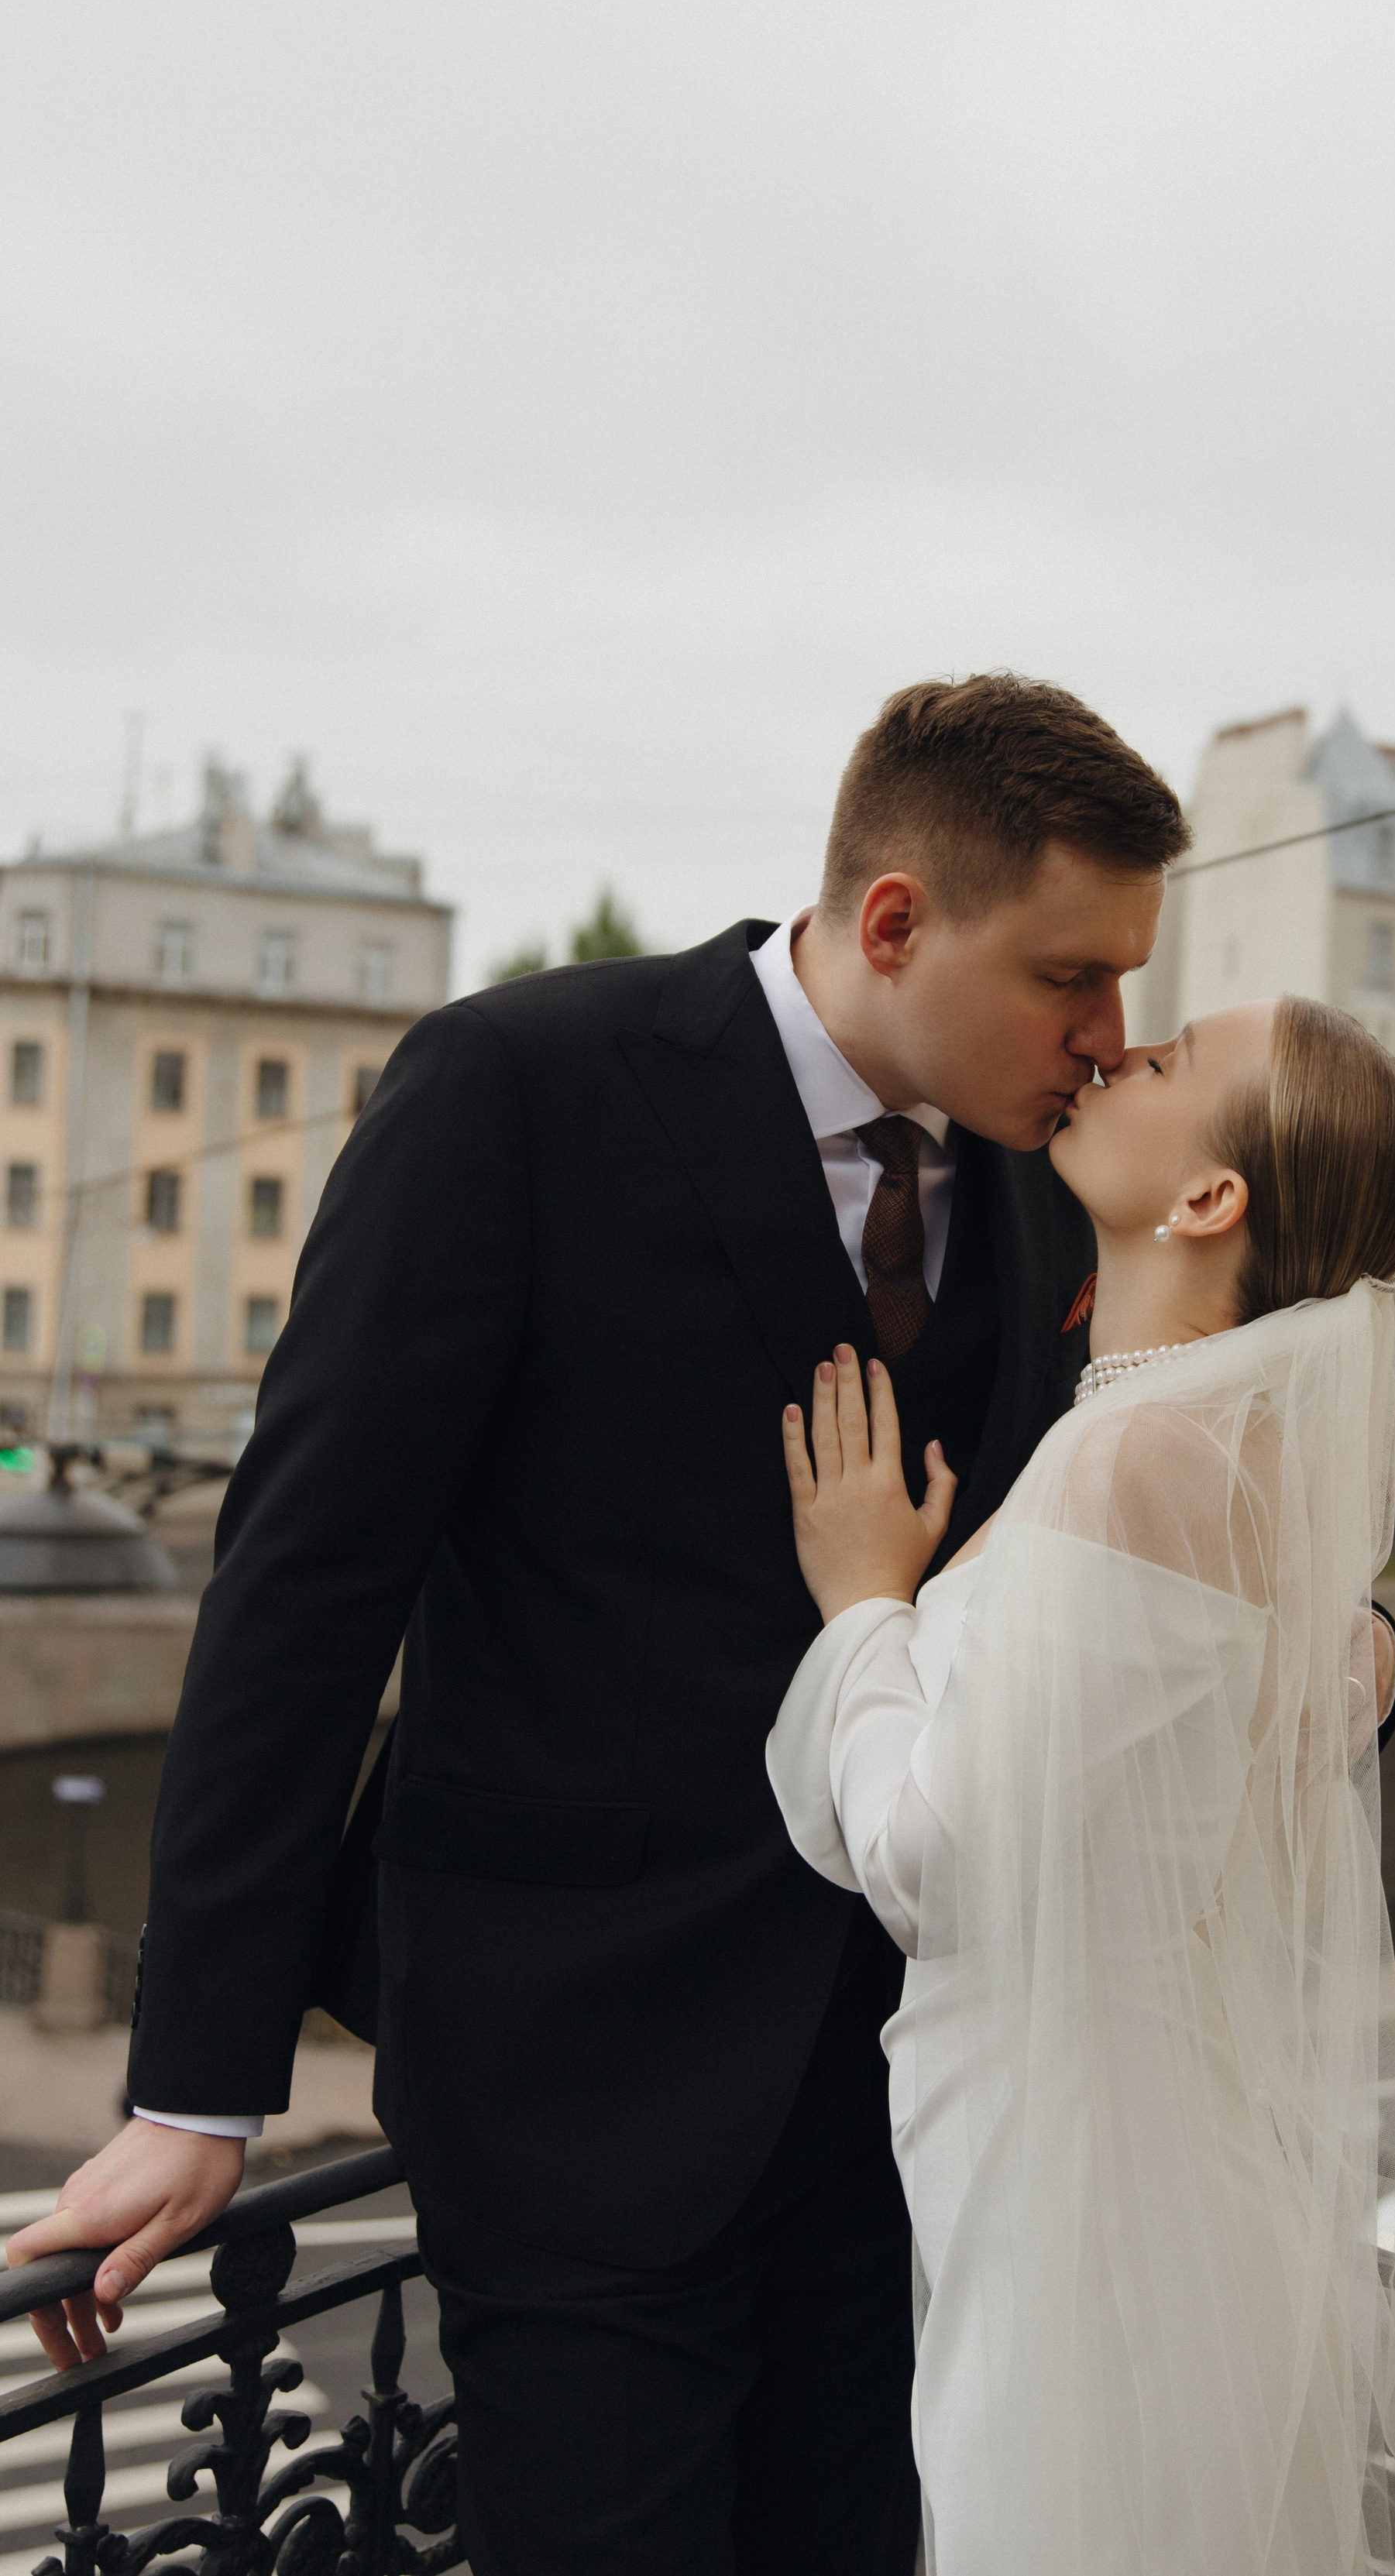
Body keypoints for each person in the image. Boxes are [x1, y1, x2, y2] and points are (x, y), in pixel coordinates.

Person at [6, 675, 1191, 2575]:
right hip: (572, 2088)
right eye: (1070, 977)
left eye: (1124, 980)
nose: (1107, 1037)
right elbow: (306, 1582)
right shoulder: (519, 1084)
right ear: (896, 921)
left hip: (907, 2104)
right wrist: (194, 2087)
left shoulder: (1049, 1185)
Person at [765, 994, 1395, 2576]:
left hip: (1087, 2209)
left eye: (1170, 1060)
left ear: (1208, 1198)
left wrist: (862, 1603)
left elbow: (928, 1861)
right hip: (1144, 2157)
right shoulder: (1207, 1450)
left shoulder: (1137, 1460)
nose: (1118, 1051)